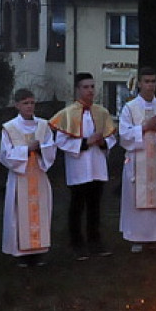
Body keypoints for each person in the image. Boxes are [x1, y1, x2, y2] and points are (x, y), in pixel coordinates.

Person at [51, 72, 117, 260]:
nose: (90, 91)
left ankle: (95, 241)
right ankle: (76, 243)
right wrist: (85, 142)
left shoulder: (101, 112)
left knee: (95, 206)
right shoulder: (67, 113)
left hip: (97, 165)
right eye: (85, 87)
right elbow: (61, 140)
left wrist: (102, 142)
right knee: (77, 206)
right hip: (79, 166)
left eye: (92, 87)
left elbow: (111, 137)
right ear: (77, 89)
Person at [119, 67, 156, 253]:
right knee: (136, 197)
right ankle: (137, 237)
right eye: (146, 81)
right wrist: (144, 127)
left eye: (153, 81)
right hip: (137, 161)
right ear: (139, 83)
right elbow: (124, 135)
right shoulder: (130, 108)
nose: (150, 85)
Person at [0, 89, 56, 267]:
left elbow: (51, 148)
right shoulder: (9, 127)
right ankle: (21, 253)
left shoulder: (43, 125)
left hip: (38, 175)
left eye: (32, 102)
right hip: (20, 178)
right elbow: (4, 155)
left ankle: (38, 252)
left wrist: (41, 149)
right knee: (19, 214)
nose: (29, 106)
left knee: (40, 213)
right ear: (17, 105)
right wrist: (27, 150)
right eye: (25, 103)